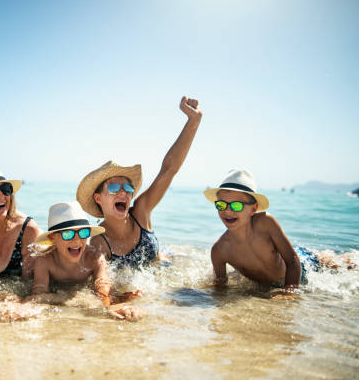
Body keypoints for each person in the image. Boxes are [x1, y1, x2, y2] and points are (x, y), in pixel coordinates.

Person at [76, 96, 202, 267]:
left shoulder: (141, 212)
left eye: (127, 187)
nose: (123, 192)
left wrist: (193, 122)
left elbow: (169, 170)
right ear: (98, 198)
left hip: (167, 260)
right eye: (113, 188)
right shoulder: (99, 242)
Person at [28, 201, 141, 321]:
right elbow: (39, 293)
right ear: (52, 238)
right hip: (61, 291)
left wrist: (107, 306)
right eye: (68, 234)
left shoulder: (94, 258)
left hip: (79, 290)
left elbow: (103, 285)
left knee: (129, 296)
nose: (77, 240)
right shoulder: (45, 261)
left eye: (83, 233)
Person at [204, 169, 306, 290]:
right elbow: (220, 287)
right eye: (221, 204)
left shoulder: (266, 223)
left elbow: (293, 262)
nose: (228, 211)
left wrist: (289, 293)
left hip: (298, 270)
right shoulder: (219, 250)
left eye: (237, 205)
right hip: (264, 285)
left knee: (326, 262)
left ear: (254, 209)